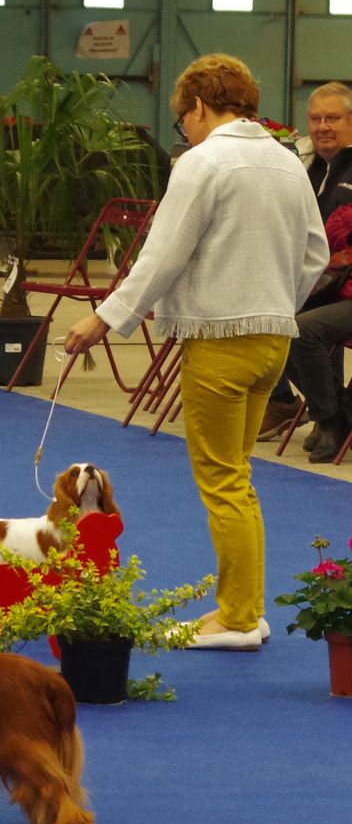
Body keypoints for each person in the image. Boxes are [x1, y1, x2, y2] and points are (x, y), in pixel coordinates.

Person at [64, 53, 328, 651]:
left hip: (219, 342)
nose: (181, 129)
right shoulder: (289, 161)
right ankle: (246, 609)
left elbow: (162, 255)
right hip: (274, 339)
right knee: (239, 478)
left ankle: (236, 619)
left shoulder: (201, 161)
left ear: (200, 107)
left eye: (181, 117)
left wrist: (106, 317)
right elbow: (314, 253)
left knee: (222, 480)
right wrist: (277, 301)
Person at [256, 81, 352, 455]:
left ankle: (330, 416)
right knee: (268, 319)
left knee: (299, 328)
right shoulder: (309, 166)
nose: (323, 126)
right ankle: (335, 412)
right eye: (316, 118)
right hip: (324, 285)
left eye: (333, 118)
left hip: (338, 287)